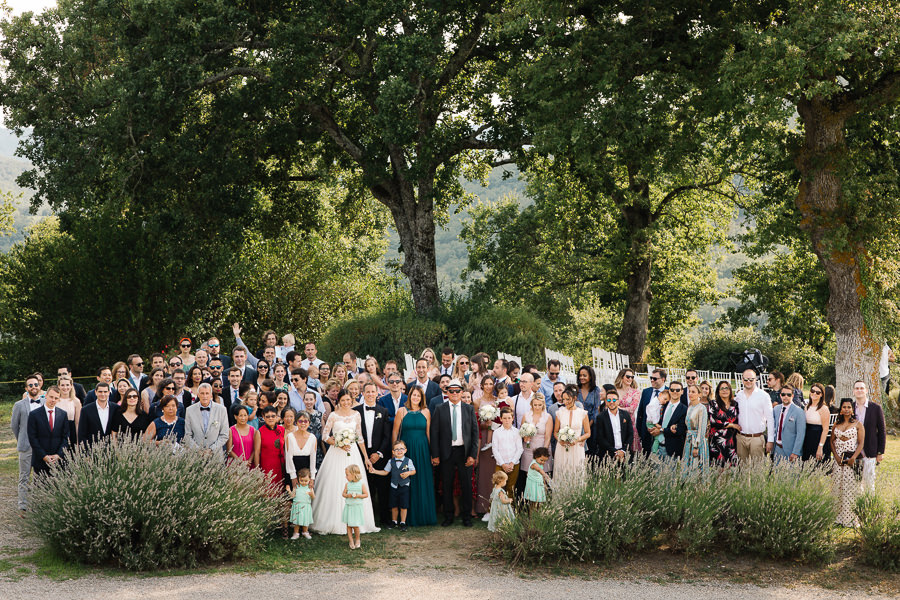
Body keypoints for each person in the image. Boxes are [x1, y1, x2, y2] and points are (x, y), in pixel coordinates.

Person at [312, 391, 380, 535]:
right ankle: (334, 520)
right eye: (343, 400)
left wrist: (366, 458)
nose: (346, 402)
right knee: (335, 483)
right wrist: (338, 443)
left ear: (351, 400)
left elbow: (360, 437)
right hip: (336, 453)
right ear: (339, 401)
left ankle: (357, 522)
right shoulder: (333, 415)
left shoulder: (356, 415)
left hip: (353, 453)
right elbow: (325, 436)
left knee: (355, 482)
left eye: (348, 400)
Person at [430, 378, 479, 527]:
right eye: (451, 391)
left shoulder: (468, 409)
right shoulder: (440, 408)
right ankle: (448, 516)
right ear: (447, 392)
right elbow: (434, 433)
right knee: (447, 484)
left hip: (463, 451)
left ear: (462, 392)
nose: (455, 394)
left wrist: (472, 454)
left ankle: (466, 517)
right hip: (446, 452)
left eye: (457, 391)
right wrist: (435, 454)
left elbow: (474, 433)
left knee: (466, 485)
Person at [392, 386, 437, 527]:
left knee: (422, 480)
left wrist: (432, 453)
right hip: (406, 450)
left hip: (423, 450)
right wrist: (394, 452)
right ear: (409, 396)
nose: (416, 398)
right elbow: (395, 432)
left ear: (421, 398)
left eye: (418, 395)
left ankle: (423, 515)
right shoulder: (402, 411)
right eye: (413, 395)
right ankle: (406, 518)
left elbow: (429, 434)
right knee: (405, 481)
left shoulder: (426, 412)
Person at [353, 382, 391, 526]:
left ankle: (384, 520)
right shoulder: (356, 412)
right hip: (361, 455)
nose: (370, 394)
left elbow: (387, 436)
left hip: (379, 456)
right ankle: (363, 520)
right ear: (363, 393)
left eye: (372, 392)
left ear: (377, 393)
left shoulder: (384, 411)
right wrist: (364, 455)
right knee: (363, 487)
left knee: (382, 489)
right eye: (367, 392)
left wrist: (379, 453)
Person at [12, 375, 43, 514]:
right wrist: (21, 439)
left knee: (40, 476)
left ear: (39, 386)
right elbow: (14, 426)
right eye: (30, 385)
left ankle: (39, 504)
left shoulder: (45, 403)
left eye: (35, 384)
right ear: (26, 388)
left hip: (41, 446)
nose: (33, 387)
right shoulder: (19, 405)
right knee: (24, 476)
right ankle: (22, 505)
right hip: (26, 445)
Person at [368, 440, 416, 531]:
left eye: (401, 449)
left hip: (404, 486)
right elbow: (385, 472)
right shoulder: (391, 461)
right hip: (394, 486)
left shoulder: (408, 461)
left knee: (404, 506)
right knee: (394, 505)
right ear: (393, 452)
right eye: (396, 449)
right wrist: (374, 471)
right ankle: (394, 521)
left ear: (405, 450)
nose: (399, 451)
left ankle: (403, 522)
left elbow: (414, 471)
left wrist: (408, 473)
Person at [831, 398, 865, 527]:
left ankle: (850, 519)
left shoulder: (858, 424)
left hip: (851, 459)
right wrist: (836, 457)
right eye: (844, 407)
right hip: (839, 461)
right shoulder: (836, 424)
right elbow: (832, 441)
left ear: (852, 409)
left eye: (849, 407)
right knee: (838, 487)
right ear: (841, 409)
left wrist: (853, 458)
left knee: (850, 488)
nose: (846, 409)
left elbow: (861, 443)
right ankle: (837, 517)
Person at [28, 386, 69, 477]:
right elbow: (32, 438)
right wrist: (43, 456)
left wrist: (58, 455)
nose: (53, 400)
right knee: (40, 488)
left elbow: (66, 437)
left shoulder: (63, 414)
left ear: (59, 399)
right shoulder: (34, 415)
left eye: (56, 398)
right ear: (46, 396)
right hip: (40, 460)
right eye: (51, 397)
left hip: (58, 460)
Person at [735, 369, 775, 462]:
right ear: (742, 380)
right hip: (741, 438)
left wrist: (770, 440)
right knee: (741, 471)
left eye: (751, 379)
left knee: (757, 472)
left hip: (756, 438)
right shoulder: (738, 396)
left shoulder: (764, 396)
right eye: (746, 379)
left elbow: (770, 419)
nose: (748, 382)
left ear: (755, 379)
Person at [853, 380, 886, 493]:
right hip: (854, 451)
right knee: (856, 485)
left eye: (862, 388)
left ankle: (869, 508)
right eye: (857, 388)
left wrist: (880, 452)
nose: (859, 390)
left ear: (866, 390)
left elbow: (882, 431)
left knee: (869, 484)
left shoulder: (876, 408)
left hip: (870, 450)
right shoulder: (850, 408)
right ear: (853, 391)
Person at [553, 384, 590, 477]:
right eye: (564, 399)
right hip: (562, 447)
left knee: (576, 473)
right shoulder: (559, 413)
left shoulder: (582, 413)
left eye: (568, 399)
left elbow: (588, 433)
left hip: (577, 447)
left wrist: (577, 439)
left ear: (575, 398)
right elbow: (555, 432)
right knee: (562, 473)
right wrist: (560, 440)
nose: (565, 402)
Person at [184, 383, 230, 456]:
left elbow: (224, 435)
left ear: (211, 395)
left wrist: (211, 449)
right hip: (195, 455)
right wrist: (198, 450)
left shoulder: (221, 410)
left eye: (207, 393)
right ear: (198, 395)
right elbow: (187, 435)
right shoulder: (189, 410)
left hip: (215, 455)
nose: (204, 396)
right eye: (202, 393)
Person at [592, 389, 633, 462]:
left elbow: (630, 434)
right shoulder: (601, 417)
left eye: (614, 400)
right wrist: (615, 452)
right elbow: (600, 438)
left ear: (618, 401)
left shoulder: (625, 415)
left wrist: (623, 451)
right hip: (608, 454)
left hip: (624, 453)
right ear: (606, 402)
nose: (611, 402)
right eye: (609, 400)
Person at [253, 406, 286, 491]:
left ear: (277, 417)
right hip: (266, 467)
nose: (270, 418)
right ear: (263, 417)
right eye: (267, 416)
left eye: (273, 416)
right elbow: (256, 453)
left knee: (280, 491)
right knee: (268, 491)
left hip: (280, 466)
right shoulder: (259, 432)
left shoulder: (282, 430)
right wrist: (258, 471)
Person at [636, 368, 668, 456]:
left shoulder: (669, 392)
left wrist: (660, 429)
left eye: (655, 378)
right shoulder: (646, 392)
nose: (652, 380)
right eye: (651, 378)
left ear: (663, 379)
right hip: (646, 431)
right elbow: (641, 413)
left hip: (662, 433)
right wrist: (639, 431)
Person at [492, 407, 523, 497]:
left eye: (509, 418)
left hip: (514, 464)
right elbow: (495, 449)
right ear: (501, 419)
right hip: (500, 465)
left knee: (511, 488)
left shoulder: (517, 432)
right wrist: (503, 464)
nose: (507, 420)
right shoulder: (497, 432)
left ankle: (510, 509)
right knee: (498, 488)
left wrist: (512, 463)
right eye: (504, 418)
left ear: (513, 418)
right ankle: (497, 509)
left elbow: (519, 449)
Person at [77, 382, 119, 448]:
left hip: (111, 449)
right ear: (95, 392)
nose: (103, 394)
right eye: (100, 392)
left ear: (109, 392)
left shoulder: (116, 408)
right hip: (92, 450)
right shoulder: (86, 410)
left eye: (105, 392)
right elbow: (82, 434)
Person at [708, 381, 740, 467]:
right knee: (718, 468)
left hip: (731, 441)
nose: (724, 390)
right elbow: (713, 421)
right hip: (717, 441)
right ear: (718, 391)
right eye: (722, 388)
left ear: (730, 390)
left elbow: (738, 420)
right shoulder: (713, 404)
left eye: (726, 388)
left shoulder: (735, 404)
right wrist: (732, 425)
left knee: (731, 468)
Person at [772, 383, 806, 463]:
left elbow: (800, 434)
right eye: (783, 394)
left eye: (788, 394)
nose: (786, 397)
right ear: (780, 396)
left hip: (791, 451)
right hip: (777, 449)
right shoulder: (776, 409)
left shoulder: (799, 411)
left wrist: (795, 452)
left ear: (792, 396)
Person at [286, 410, 318, 487]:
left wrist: (312, 478)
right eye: (300, 421)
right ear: (296, 423)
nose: (303, 423)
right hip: (293, 470)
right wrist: (293, 477)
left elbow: (313, 459)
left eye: (305, 421)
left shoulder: (312, 438)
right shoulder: (290, 437)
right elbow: (289, 458)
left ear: (309, 423)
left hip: (306, 474)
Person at [683, 384, 709, 473]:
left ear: (699, 394)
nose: (690, 394)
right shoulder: (690, 407)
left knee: (696, 466)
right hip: (688, 440)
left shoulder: (702, 408)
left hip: (697, 441)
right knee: (687, 465)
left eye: (693, 392)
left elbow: (702, 429)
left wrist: (696, 446)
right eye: (689, 392)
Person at [614, 368, 641, 452]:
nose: (630, 379)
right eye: (628, 376)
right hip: (615, 423)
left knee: (630, 452)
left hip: (629, 424)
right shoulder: (614, 390)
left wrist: (617, 408)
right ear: (621, 377)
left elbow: (632, 409)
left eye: (632, 377)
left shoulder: (635, 392)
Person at [342, 465, 368, 549]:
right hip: (349, 506)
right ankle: (351, 541)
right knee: (349, 525)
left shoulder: (361, 484)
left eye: (347, 475)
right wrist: (348, 495)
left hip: (356, 507)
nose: (346, 477)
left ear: (354, 474)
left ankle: (357, 539)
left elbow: (366, 494)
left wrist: (358, 495)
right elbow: (343, 494)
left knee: (356, 525)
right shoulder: (347, 484)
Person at [803, 383, 831, 462]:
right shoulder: (806, 407)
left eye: (818, 392)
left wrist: (820, 447)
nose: (814, 393)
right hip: (807, 439)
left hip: (818, 438)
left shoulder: (823, 409)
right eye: (812, 391)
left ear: (822, 395)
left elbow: (825, 429)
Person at [659, 381, 687, 459]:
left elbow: (679, 430)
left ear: (682, 392)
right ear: (669, 391)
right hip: (657, 447)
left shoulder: (684, 409)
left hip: (673, 450)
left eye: (677, 390)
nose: (675, 392)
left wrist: (661, 430)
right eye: (672, 390)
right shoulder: (662, 405)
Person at [56, 375, 82, 448]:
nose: (65, 387)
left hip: (71, 432)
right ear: (58, 386)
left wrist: (78, 441)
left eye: (67, 385)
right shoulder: (55, 400)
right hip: (57, 432)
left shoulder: (76, 401)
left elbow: (77, 423)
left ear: (71, 386)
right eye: (62, 385)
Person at [289, 468, 315, 540]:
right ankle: (296, 533)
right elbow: (292, 496)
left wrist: (311, 494)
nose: (303, 482)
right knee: (297, 521)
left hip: (306, 506)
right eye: (301, 480)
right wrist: (289, 491)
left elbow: (313, 497)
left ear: (310, 479)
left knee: (305, 521)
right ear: (298, 479)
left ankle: (305, 532)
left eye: (306, 481)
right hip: (297, 506)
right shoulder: (296, 486)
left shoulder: (310, 488)